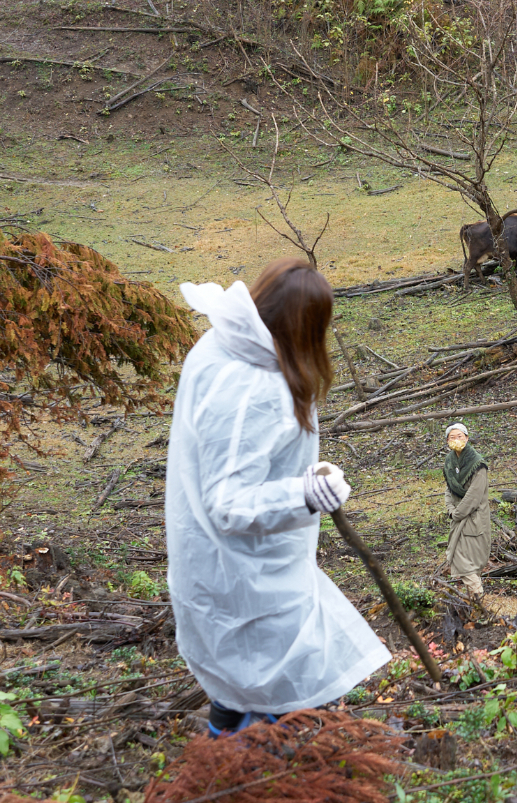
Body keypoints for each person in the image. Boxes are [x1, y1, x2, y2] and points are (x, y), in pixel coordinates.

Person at [166, 258, 391, 738]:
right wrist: (304, 494)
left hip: (228, 559)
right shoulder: (256, 388)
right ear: (306, 328)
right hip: (242, 567)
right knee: (282, 672)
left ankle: (229, 750)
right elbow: (230, 503)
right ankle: (263, 762)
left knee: (247, 675)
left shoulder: (222, 345)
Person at [444, 423, 490, 602]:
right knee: (464, 562)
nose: (456, 440)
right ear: (447, 441)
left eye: (459, 436)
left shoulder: (478, 464)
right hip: (457, 519)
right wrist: (451, 510)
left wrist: (457, 514)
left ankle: (479, 602)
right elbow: (448, 489)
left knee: (468, 564)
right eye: (452, 437)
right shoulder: (450, 462)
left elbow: (474, 496)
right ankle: (476, 602)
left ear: (467, 438)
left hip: (474, 518)